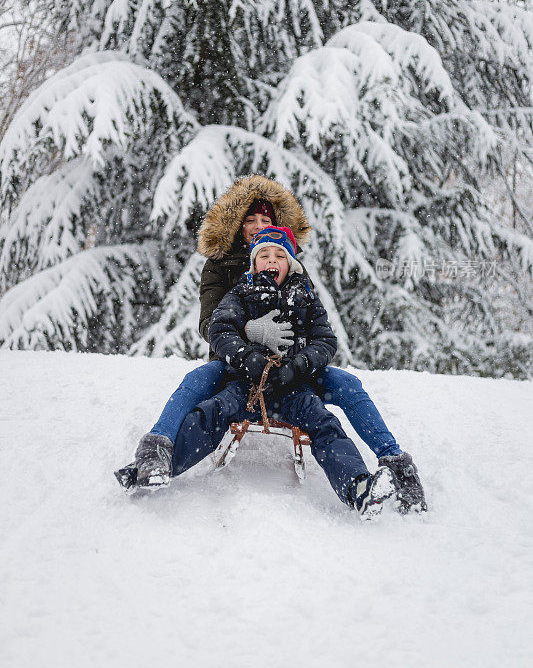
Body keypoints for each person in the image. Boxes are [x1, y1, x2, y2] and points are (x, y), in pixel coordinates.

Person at [132, 175, 426, 513]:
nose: (258, 227)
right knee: (202, 389)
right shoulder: (222, 270)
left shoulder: (295, 277)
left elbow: (320, 332)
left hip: (292, 372)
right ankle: (156, 452)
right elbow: (212, 326)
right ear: (238, 223)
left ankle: (394, 465)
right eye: (251, 220)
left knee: (343, 388)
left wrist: (299, 364)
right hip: (237, 365)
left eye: (266, 221)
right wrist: (249, 336)